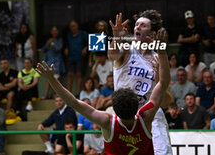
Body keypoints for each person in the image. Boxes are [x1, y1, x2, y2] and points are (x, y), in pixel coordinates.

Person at [35, 28, 170, 155]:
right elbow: (163, 83)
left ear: (115, 109)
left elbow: (73, 102)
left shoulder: (107, 121)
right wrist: (162, 51)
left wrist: (51, 79)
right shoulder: (145, 117)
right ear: (137, 105)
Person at [108, 11, 172, 155]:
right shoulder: (126, 50)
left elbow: (166, 102)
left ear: (153, 33)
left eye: (143, 26)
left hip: (151, 114)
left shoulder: (159, 57)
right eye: (137, 24)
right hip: (126, 114)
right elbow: (112, 55)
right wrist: (117, 36)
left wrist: (157, 77)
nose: (137, 27)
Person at [65, 20, 88, 95]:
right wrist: (66, 49)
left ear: (77, 26)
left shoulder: (82, 34)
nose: (73, 28)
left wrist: (86, 48)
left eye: (74, 26)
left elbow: (90, 42)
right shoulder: (68, 35)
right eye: (71, 26)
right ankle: (69, 93)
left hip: (80, 57)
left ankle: (78, 93)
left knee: (78, 74)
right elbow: (66, 44)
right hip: (71, 57)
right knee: (70, 74)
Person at [42, 26, 65, 99]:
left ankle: (59, 95)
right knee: (48, 79)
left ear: (57, 32)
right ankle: (46, 95)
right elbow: (43, 50)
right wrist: (48, 43)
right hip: (48, 62)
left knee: (56, 79)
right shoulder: (49, 40)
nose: (54, 32)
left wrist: (53, 44)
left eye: (56, 31)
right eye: (53, 31)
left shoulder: (60, 40)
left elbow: (58, 49)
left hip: (57, 62)